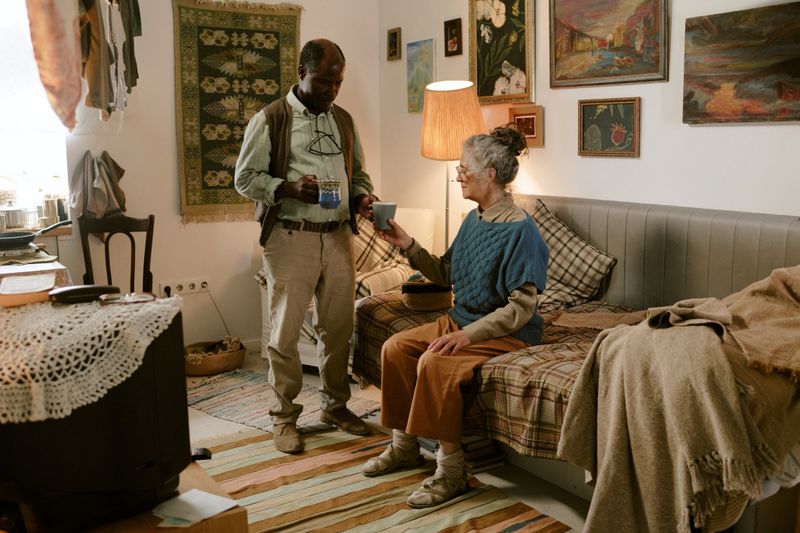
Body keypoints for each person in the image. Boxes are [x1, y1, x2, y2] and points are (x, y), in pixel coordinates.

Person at [360, 126, 548, 508]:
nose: (458, 175)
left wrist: (468, 336)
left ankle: (452, 470)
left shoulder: (522, 231)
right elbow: (446, 272)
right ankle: (405, 446)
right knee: (396, 347)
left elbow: (520, 309)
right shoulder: (472, 219)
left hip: (508, 332)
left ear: (489, 174)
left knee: (435, 361)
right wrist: (408, 245)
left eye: (464, 168)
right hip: (461, 320)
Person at [234, 38, 376, 454]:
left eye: (338, 83)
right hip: (290, 236)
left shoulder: (344, 121)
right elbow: (245, 178)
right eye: (325, 81)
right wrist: (289, 188)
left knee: (338, 330)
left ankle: (335, 406)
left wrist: (363, 197)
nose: (332, 91)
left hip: (337, 237)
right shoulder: (272, 119)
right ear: (301, 73)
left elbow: (360, 174)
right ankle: (283, 417)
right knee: (284, 332)